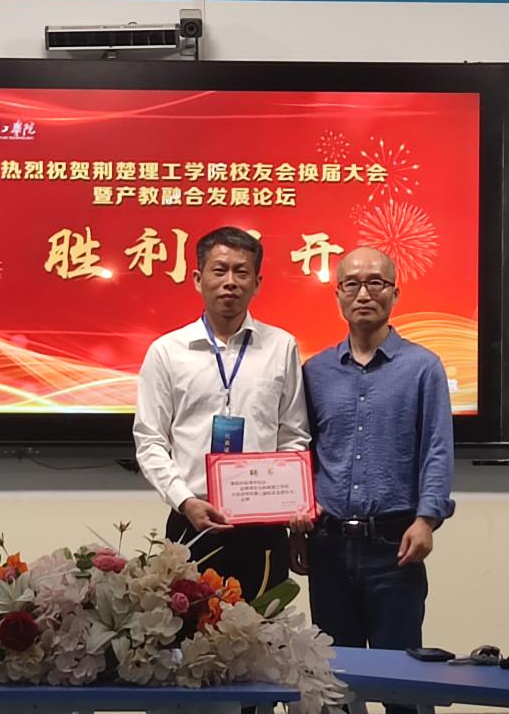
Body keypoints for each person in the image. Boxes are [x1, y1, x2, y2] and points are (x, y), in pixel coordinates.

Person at [292, 246, 455, 714]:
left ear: (395, 293)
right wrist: (295, 526)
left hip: (394, 547)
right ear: (338, 294)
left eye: (376, 283)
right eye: (352, 284)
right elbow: (301, 451)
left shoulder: (423, 367)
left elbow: (437, 449)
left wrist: (427, 519)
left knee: (404, 686)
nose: (364, 293)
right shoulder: (315, 371)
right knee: (334, 686)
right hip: (327, 547)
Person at [134, 226, 310, 601]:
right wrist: (185, 500)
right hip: (191, 523)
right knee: (187, 632)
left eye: (241, 272)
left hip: (263, 527)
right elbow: (150, 441)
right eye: (219, 270)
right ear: (198, 279)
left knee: (265, 633)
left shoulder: (281, 346)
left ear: (257, 283)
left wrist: (293, 501)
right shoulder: (167, 351)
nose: (230, 281)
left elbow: (293, 434)